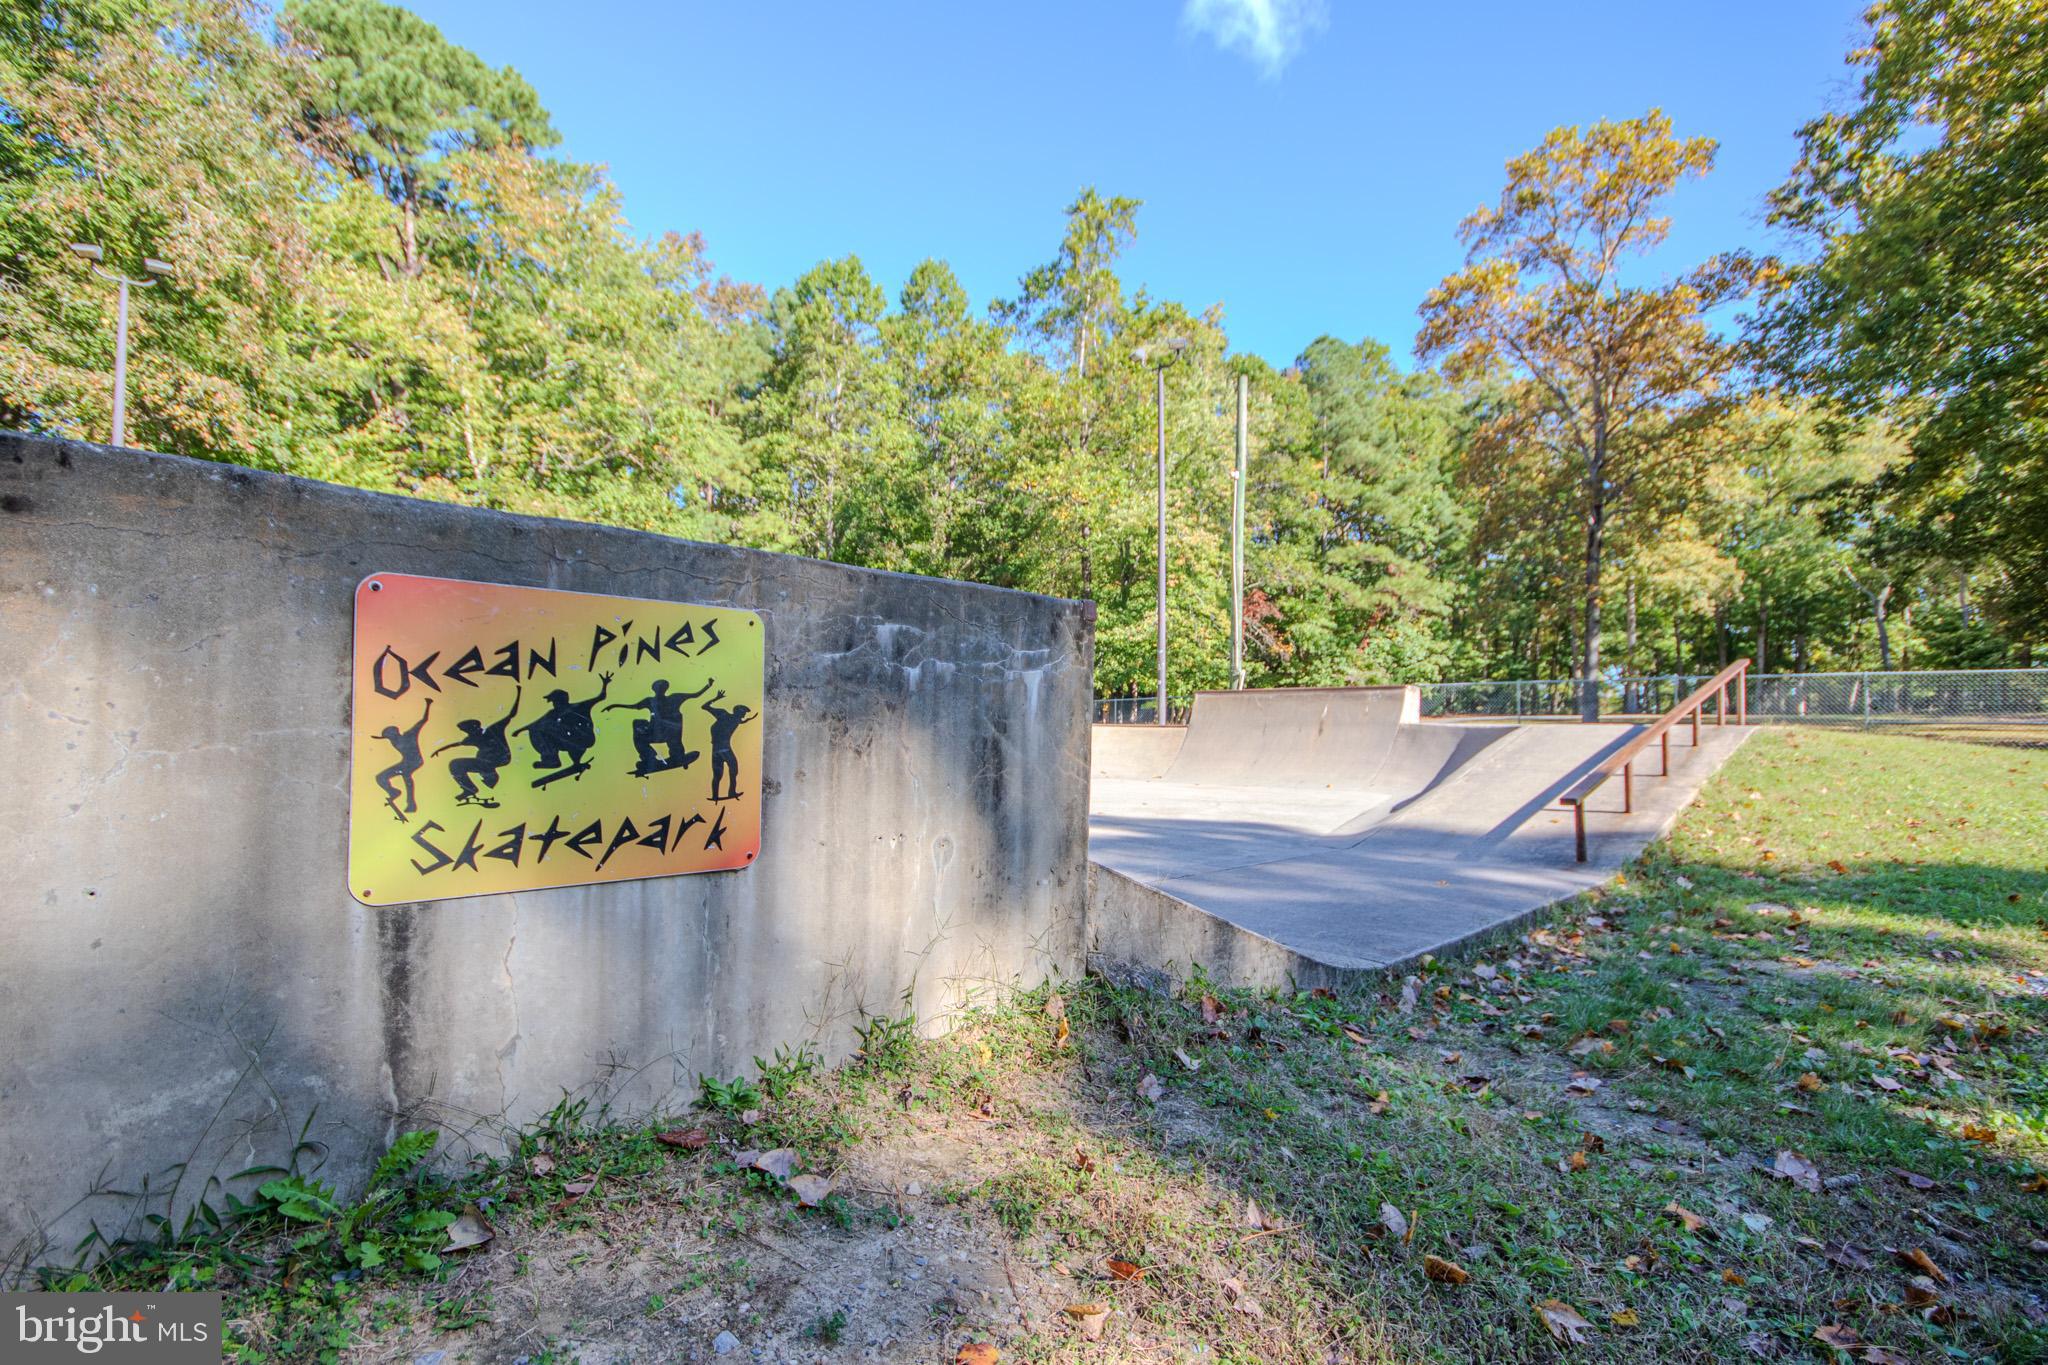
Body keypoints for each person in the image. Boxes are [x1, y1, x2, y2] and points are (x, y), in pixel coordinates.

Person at [432, 688, 521, 805]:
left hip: (499, 759)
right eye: (467, 732)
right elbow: (456, 744)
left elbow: (511, 715)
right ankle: (470, 787)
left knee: (456, 763)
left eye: (469, 731)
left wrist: (519, 693)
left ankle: (476, 785)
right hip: (486, 762)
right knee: (456, 765)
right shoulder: (472, 738)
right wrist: (439, 750)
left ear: (476, 728)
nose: (469, 734)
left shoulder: (493, 730)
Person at [605, 678, 712, 775]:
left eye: (661, 688)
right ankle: (650, 757)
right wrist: (615, 705)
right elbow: (633, 706)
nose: (660, 690)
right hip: (657, 733)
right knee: (638, 724)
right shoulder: (652, 700)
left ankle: (676, 755)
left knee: (663, 734)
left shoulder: (673, 698)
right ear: (655, 689)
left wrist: (708, 686)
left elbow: (695, 694)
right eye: (658, 688)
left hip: (669, 734)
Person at [514, 672, 611, 772]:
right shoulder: (554, 713)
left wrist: (605, 684)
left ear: (561, 701)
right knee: (538, 728)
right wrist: (520, 730)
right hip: (572, 741)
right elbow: (536, 723)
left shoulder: (578, 706)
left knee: (545, 726)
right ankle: (568, 761)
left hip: (582, 738)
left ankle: (553, 759)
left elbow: (600, 697)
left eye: (555, 702)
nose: (554, 705)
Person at [372, 697, 433, 821]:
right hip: (406, 762)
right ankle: (394, 792)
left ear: (395, 733)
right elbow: (380, 737)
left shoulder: (409, 734)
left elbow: (423, 720)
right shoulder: (393, 740)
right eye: (387, 737)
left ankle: (411, 803)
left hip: (415, 761)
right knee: (381, 777)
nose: (389, 739)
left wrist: (428, 705)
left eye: (389, 736)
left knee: (406, 775)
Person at [700, 688, 760, 802]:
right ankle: (730, 792)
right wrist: (716, 698)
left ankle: (716, 795)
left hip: (715, 751)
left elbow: (741, 721)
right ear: (738, 712)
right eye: (743, 713)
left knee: (718, 774)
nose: (743, 716)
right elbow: (705, 706)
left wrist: (749, 719)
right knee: (733, 769)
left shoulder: (734, 719)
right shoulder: (724, 714)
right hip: (725, 750)